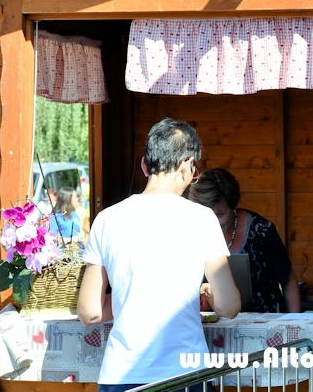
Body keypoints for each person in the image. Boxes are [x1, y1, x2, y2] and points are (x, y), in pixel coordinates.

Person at [77, 118, 240, 392]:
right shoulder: (202, 219)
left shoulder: (107, 219)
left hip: (121, 375)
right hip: (185, 373)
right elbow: (229, 306)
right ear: (187, 166)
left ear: (145, 165)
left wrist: (128, 301)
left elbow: (89, 312)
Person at [189, 168, 301, 313]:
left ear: (233, 207)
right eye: (207, 215)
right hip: (215, 323)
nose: (213, 222)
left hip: (267, 322)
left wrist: (294, 324)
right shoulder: (191, 235)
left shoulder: (262, 230)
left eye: (220, 214)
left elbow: (288, 280)